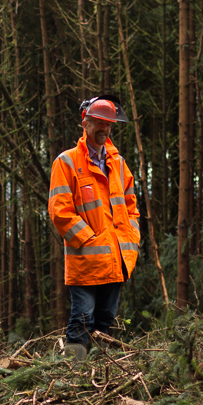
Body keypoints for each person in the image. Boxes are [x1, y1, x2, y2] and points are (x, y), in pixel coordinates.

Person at [49, 94, 141, 359]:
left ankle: (100, 375)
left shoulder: (119, 164)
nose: (105, 129)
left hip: (117, 259)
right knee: (81, 322)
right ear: (85, 123)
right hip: (86, 262)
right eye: (100, 123)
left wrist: (131, 237)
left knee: (105, 323)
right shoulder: (67, 162)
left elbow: (131, 207)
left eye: (109, 124)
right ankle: (73, 374)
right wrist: (90, 239)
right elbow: (59, 210)